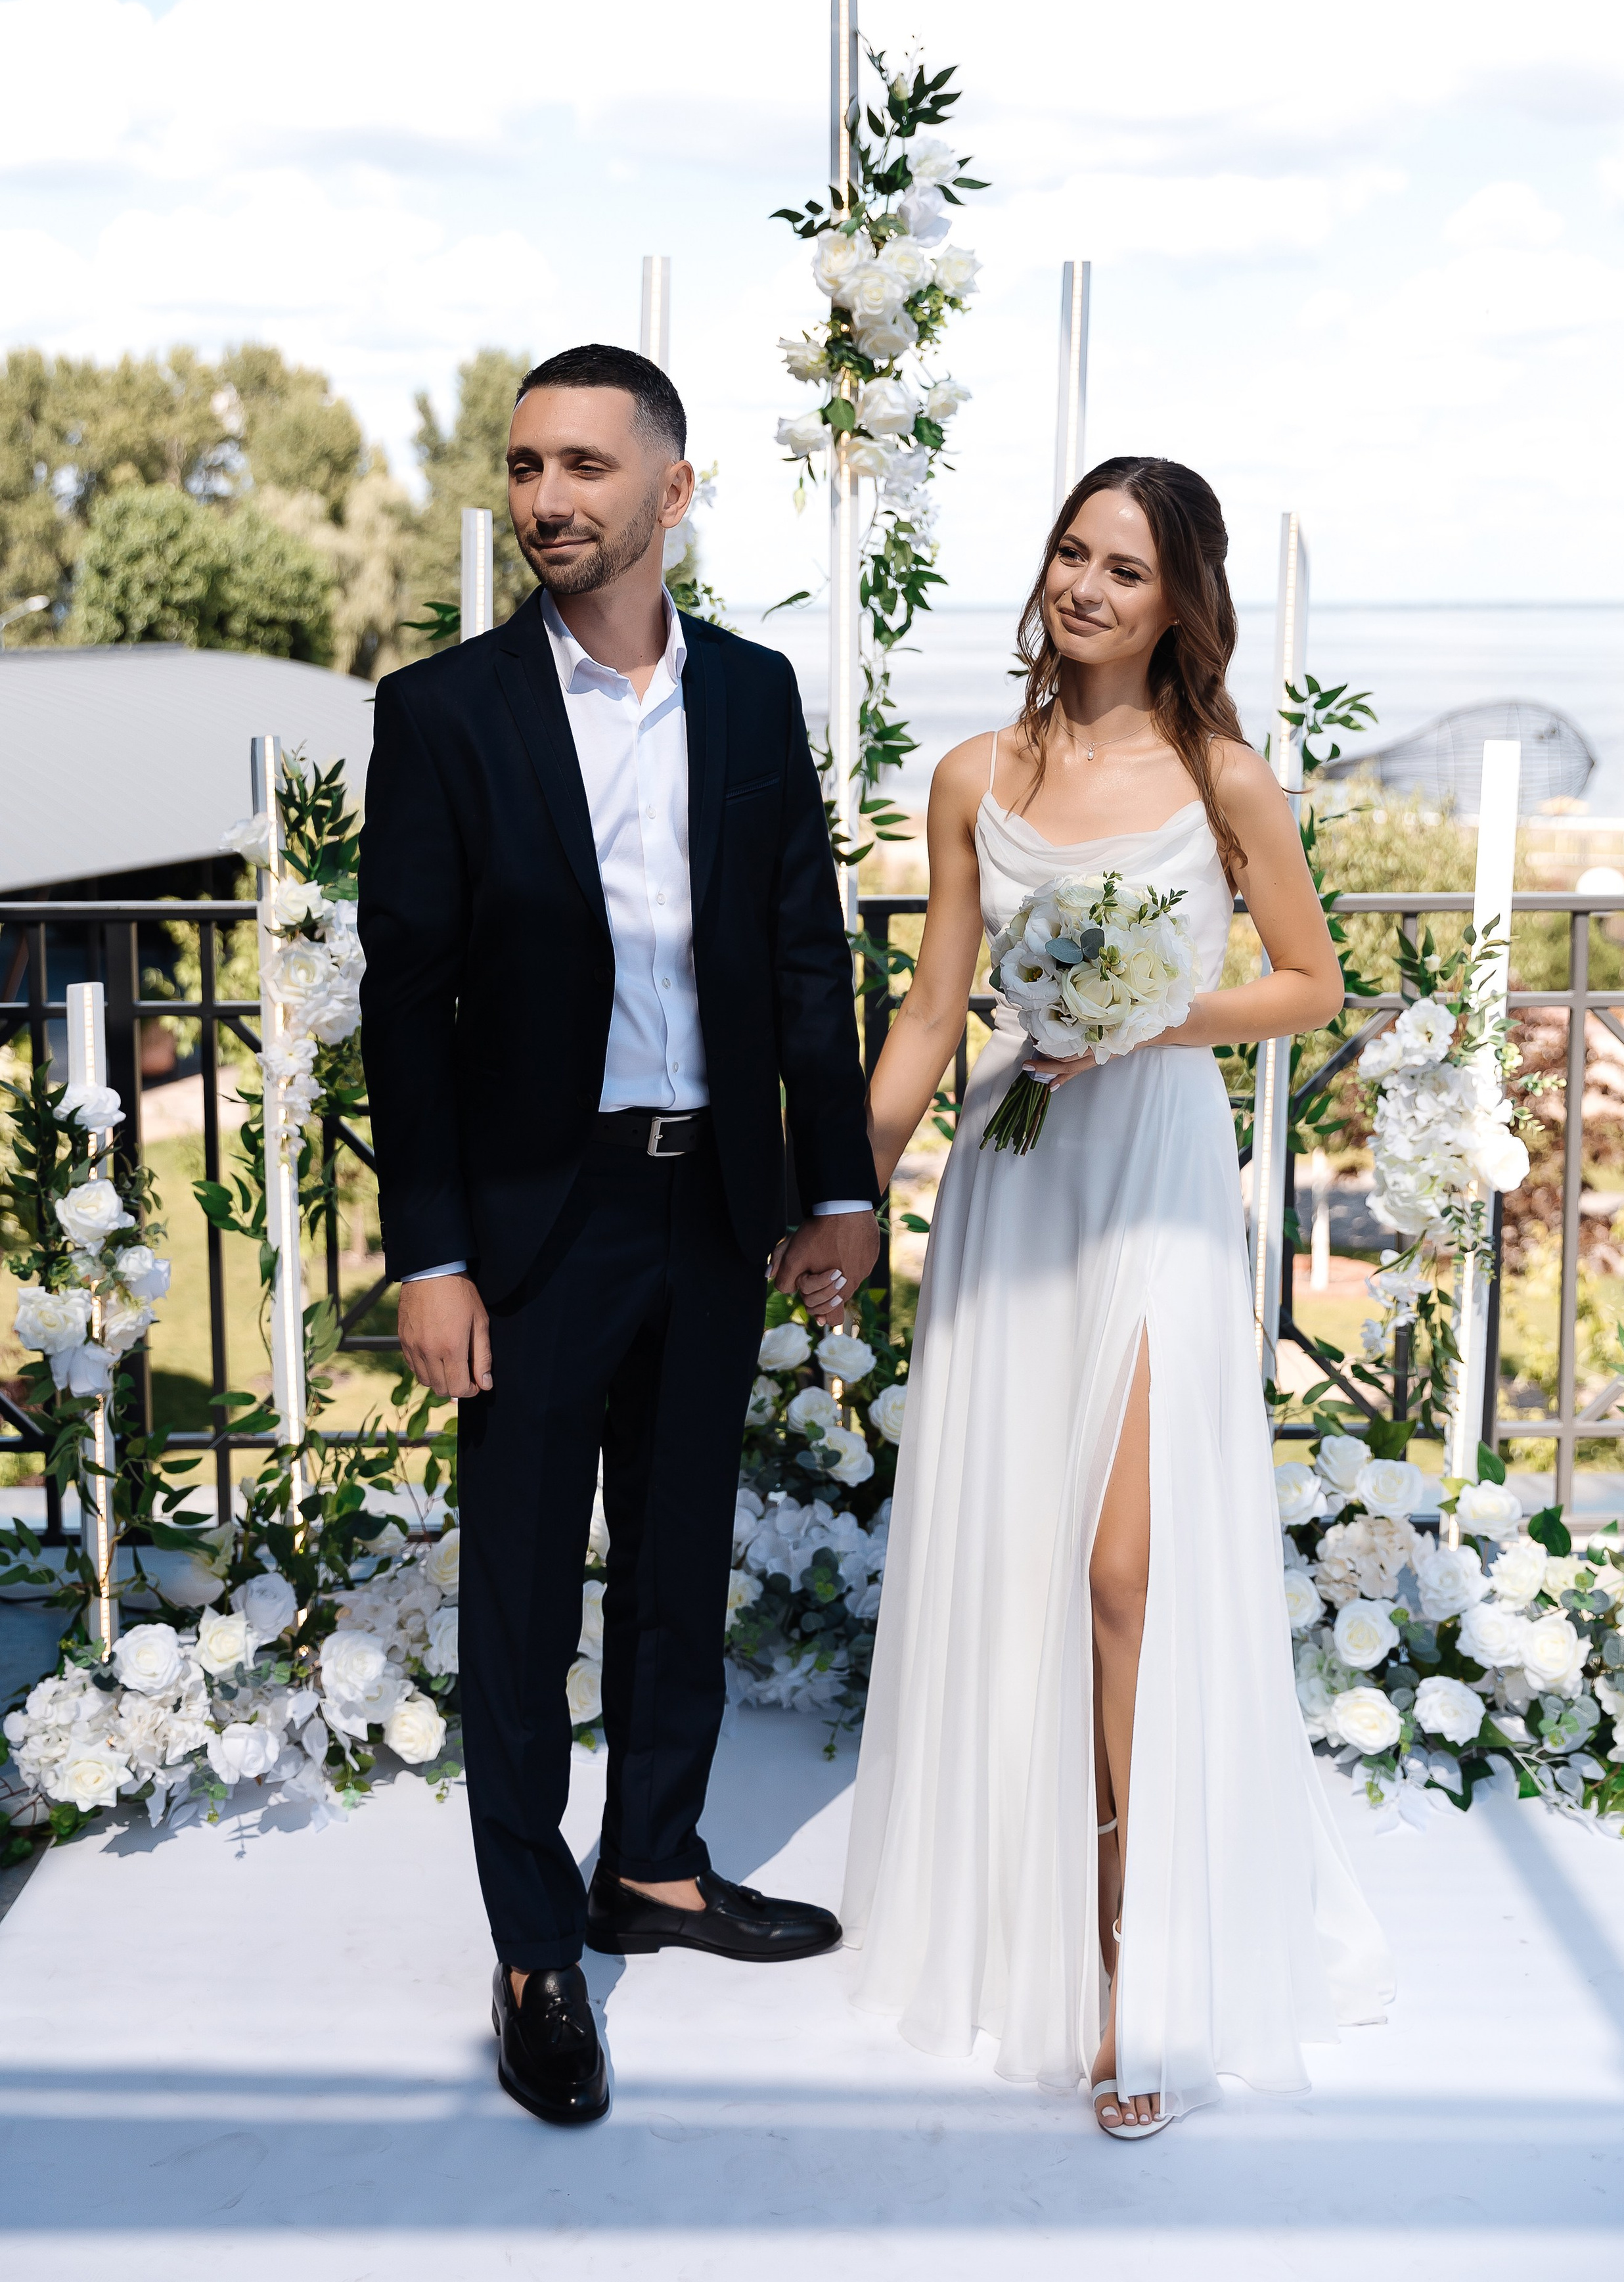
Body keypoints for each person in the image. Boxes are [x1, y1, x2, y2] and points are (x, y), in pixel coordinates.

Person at [834, 457, 1393, 2137]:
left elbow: (1308, 984)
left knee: (1122, 1568)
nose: (1083, 586)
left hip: (1151, 1170)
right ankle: (1035, 1920)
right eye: (1070, 553)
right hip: (1016, 1180)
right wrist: (845, 1192)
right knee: (1019, 1545)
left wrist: (1152, 1012)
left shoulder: (1226, 780)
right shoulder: (972, 776)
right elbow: (932, 1011)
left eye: (1123, 569)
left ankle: (1134, 1957)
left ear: (1176, 602)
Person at [358, 345, 881, 2126]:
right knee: (519, 1593)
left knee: (675, 1558)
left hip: (712, 1199)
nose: (547, 499)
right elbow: (406, 1007)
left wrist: (837, 1185)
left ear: (672, 487)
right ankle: (534, 1951)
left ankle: (651, 1862)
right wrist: (430, 1255)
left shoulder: (752, 693)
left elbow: (803, 958)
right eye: (524, 467)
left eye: (585, 465)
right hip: (538, 1216)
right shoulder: (444, 712)